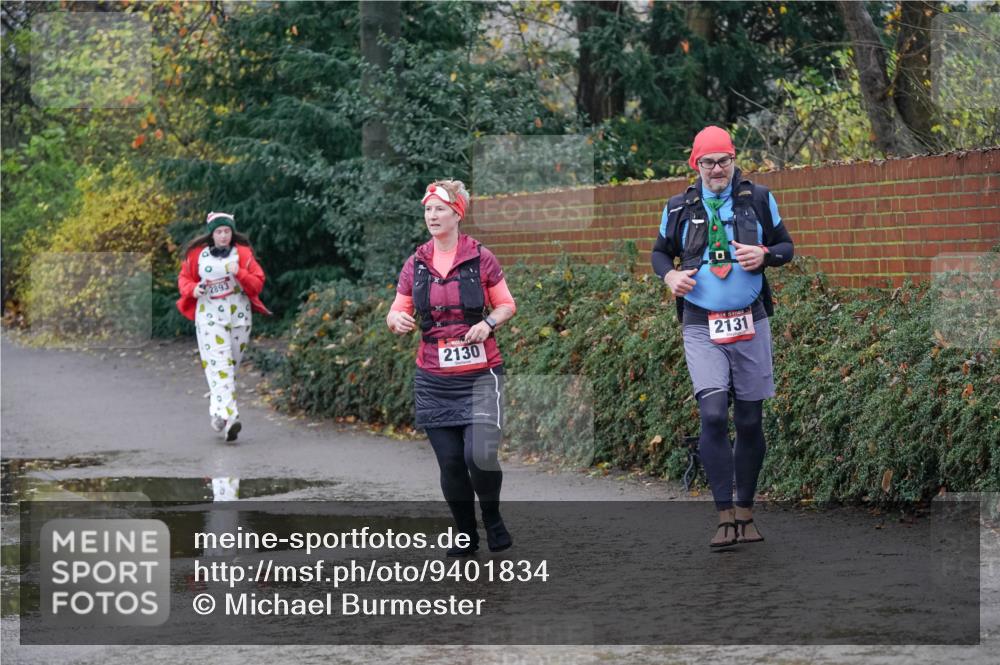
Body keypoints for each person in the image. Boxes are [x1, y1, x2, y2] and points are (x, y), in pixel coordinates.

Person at [651, 126, 794, 548]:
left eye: (724, 161)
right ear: (695, 164)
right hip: (701, 323)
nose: (717, 169)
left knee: (749, 420)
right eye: (708, 162)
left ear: (734, 160)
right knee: (713, 415)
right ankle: (724, 516)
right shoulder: (678, 207)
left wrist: (765, 255)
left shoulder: (759, 199)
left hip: (751, 320)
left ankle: (746, 513)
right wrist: (670, 275)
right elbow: (659, 252)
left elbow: (786, 247)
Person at [386, 180, 517, 556]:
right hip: (434, 379)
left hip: (481, 376)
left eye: (440, 209)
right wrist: (396, 320)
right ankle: (465, 533)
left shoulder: (481, 258)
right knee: (451, 463)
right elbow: (397, 310)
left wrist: (488, 324)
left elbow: (506, 304)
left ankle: (491, 518)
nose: (432, 216)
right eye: (428, 210)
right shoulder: (416, 263)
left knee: (479, 455)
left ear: (457, 214)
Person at [177, 212, 271, 443]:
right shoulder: (197, 255)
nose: (223, 236)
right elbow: (184, 279)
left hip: (239, 316)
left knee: (230, 367)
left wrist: (239, 272)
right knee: (221, 366)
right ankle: (231, 418)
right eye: (219, 232)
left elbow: (257, 284)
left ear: (232, 233)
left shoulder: (243, 254)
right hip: (209, 317)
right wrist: (193, 289)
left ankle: (217, 410)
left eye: (227, 231)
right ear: (212, 234)